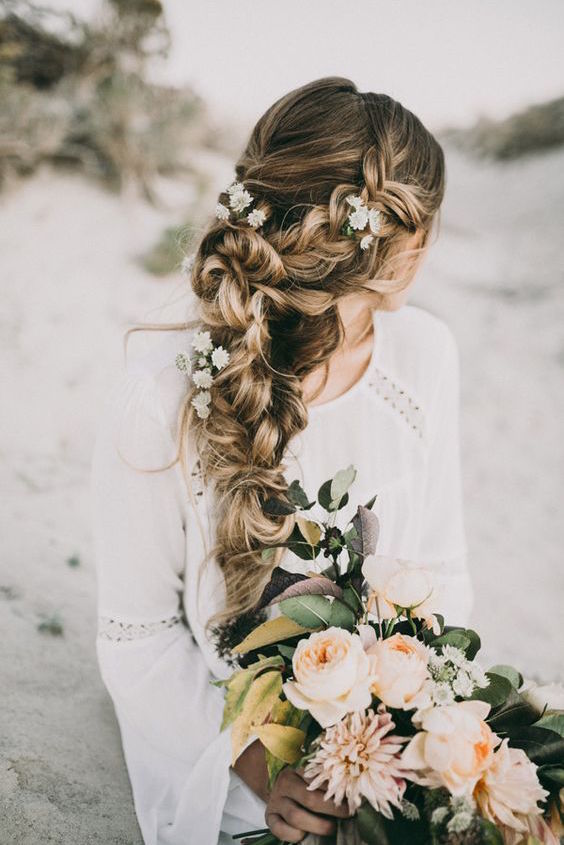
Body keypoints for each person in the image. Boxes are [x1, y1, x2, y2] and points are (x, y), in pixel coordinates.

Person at [90, 76, 473, 845]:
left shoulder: (426, 357)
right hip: (228, 757)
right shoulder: (161, 402)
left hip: (384, 744)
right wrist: (266, 769)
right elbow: (139, 635)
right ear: (404, 250)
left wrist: (426, 734)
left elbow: (440, 572)